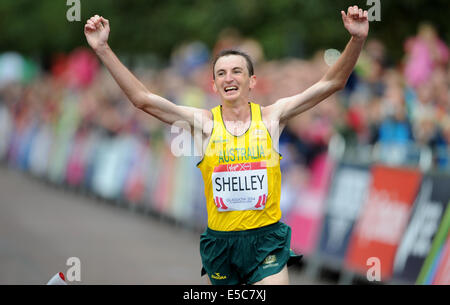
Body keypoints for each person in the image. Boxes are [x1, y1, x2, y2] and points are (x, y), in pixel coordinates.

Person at [84, 5, 369, 285]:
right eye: (221, 73)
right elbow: (142, 99)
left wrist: (356, 39)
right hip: (222, 245)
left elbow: (332, 82)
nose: (229, 78)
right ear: (214, 85)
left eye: (236, 71)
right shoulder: (203, 124)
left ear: (252, 81)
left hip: (266, 242)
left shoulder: (273, 116)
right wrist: (102, 49)